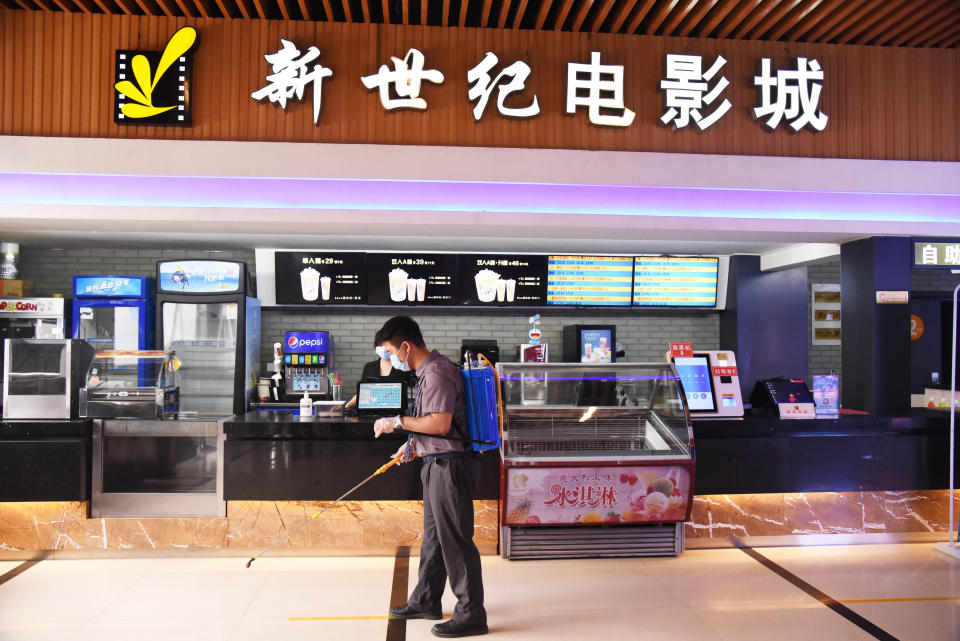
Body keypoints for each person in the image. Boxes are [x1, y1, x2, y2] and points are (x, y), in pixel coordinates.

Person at [372, 315, 488, 639]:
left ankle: (471, 614)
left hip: (450, 467)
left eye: (391, 353)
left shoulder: (436, 372)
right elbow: (431, 425)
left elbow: (439, 424)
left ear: (406, 347)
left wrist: (396, 421)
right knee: (435, 540)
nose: (391, 360)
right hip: (437, 463)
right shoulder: (428, 372)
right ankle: (426, 599)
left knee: (456, 541)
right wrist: (409, 446)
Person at [343, 341, 414, 411]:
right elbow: (362, 394)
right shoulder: (370, 367)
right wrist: (347, 406)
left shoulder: (403, 367)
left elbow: (418, 386)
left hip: (397, 416)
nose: (385, 348)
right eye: (382, 345)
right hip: (371, 414)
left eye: (388, 344)